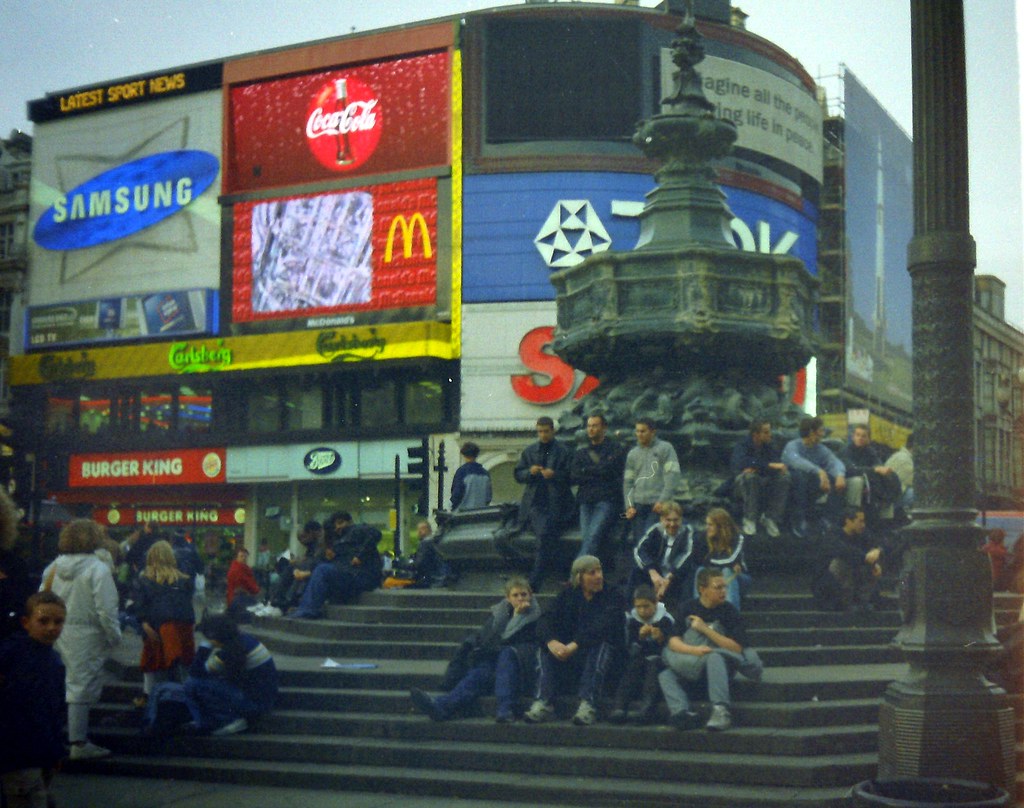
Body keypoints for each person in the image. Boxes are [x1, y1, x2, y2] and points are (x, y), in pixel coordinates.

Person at [41, 519, 122, 760]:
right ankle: (79, 741)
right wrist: (113, 636)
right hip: (87, 634)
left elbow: (41, 598)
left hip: (57, 631)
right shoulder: (98, 569)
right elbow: (106, 609)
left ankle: (54, 736)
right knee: (81, 688)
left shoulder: (53, 567)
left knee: (58, 684)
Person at [409, 576, 540, 722]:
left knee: (506, 654)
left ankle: (505, 709)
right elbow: (488, 640)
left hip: (520, 669)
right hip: (494, 665)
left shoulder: (536, 617)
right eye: (515, 595)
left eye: (524, 594)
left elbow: (518, 643)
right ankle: (441, 706)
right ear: (508, 598)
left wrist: (517, 618)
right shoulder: (499, 615)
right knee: (479, 673)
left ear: (530, 595)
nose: (520, 599)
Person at [658, 567, 763, 732]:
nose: (723, 591)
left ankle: (721, 710)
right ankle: (681, 713)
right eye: (718, 587)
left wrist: (706, 630)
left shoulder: (729, 611)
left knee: (715, 657)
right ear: (702, 590)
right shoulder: (687, 607)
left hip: (720, 667)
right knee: (665, 675)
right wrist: (694, 651)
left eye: (724, 587)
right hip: (694, 662)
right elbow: (673, 641)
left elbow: (736, 647)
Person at [524, 555, 622, 726]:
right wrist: (552, 642)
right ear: (579, 577)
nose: (598, 576)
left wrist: (575, 644)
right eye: (592, 573)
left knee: (601, 644)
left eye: (599, 571)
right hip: (571, 658)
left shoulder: (613, 594)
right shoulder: (567, 595)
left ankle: (589, 704)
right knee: (545, 648)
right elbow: (545, 620)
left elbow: (604, 625)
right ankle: (543, 701)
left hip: (603, 660)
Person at [143, 613, 278, 736]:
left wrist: (205, 647)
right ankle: (151, 723)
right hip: (256, 698)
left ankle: (216, 721)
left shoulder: (231, 651)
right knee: (160, 688)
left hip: (255, 703)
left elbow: (195, 673)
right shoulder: (243, 641)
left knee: (191, 684)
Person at [0, 591, 67, 808]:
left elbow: (55, 708)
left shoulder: (54, 660)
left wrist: (56, 749)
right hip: (16, 750)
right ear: (26, 622)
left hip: (42, 749)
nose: (51, 627)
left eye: (58, 622)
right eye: (43, 621)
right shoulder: (11, 653)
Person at [514, 417, 574, 592]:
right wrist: (529, 473)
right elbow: (518, 474)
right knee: (546, 536)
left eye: (546, 431)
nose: (543, 435)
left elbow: (572, 475)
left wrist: (554, 475)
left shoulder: (564, 451)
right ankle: (535, 582)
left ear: (553, 431)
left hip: (558, 503)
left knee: (546, 537)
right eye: (540, 431)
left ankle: (535, 580)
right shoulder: (529, 451)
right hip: (536, 504)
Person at [133, 540, 196, 708]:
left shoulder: (144, 579)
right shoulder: (184, 580)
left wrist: (144, 624)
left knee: (151, 661)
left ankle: (148, 696)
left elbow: (140, 606)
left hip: (156, 626)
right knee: (180, 664)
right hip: (182, 628)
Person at [290, 512, 382, 619]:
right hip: (352, 576)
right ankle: (301, 606)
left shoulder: (358, 529)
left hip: (363, 576)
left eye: (341, 523)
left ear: (350, 522)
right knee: (320, 570)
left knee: (322, 570)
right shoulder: (340, 541)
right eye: (336, 525)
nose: (338, 527)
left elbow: (376, 534)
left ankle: (308, 609)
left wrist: (360, 556)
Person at [608, 584, 674, 724]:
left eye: (646, 606)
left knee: (653, 667)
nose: (642, 611)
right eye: (638, 607)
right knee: (632, 668)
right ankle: (619, 706)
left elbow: (672, 644)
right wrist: (639, 638)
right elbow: (629, 647)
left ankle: (647, 708)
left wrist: (661, 638)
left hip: (660, 659)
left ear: (655, 604)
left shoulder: (665, 620)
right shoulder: (632, 621)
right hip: (639, 658)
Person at [571, 413, 626, 567]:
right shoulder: (581, 452)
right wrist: (598, 471)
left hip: (606, 501)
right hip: (586, 501)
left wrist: (586, 471)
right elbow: (574, 476)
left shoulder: (616, 449)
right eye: (589, 426)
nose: (591, 429)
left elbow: (610, 471)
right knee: (588, 539)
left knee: (593, 536)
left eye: (595, 426)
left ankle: (576, 576)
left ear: (604, 428)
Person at [782, 416, 846, 538]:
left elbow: (834, 461)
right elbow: (796, 461)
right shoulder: (792, 446)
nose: (823, 434)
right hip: (794, 481)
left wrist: (839, 475)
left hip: (811, 483)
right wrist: (819, 471)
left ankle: (829, 520)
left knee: (835, 481)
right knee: (800, 477)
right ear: (811, 432)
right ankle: (798, 520)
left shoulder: (820, 449)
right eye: (821, 430)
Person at [810, 508, 882, 612]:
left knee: (871, 564)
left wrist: (877, 551)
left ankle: (863, 601)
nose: (863, 525)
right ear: (848, 521)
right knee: (841, 563)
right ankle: (845, 602)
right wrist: (866, 558)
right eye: (860, 521)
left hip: (853, 581)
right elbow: (844, 551)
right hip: (828, 585)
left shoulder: (862, 534)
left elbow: (877, 543)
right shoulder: (833, 534)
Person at [623, 418, 681, 546]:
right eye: (637, 431)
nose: (639, 434)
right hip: (638, 506)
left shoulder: (666, 448)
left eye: (643, 431)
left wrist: (662, 500)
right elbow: (628, 482)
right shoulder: (632, 454)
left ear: (653, 432)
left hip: (657, 505)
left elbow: (672, 476)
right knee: (639, 542)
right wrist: (629, 505)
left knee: (650, 540)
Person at [727, 419, 789, 537]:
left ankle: (770, 517)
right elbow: (739, 462)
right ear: (755, 434)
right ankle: (749, 519)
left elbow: (777, 464)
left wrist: (757, 466)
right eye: (766, 432)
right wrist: (767, 465)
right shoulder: (743, 445)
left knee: (784, 477)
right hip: (741, 485)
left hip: (764, 481)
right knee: (750, 477)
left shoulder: (769, 446)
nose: (769, 435)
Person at [631, 502, 697, 605]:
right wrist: (653, 573)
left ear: (681, 519)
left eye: (676, 520)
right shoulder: (655, 530)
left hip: (675, 575)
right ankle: (631, 608)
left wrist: (668, 579)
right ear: (661, 519)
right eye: (668, 520)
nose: (672, 524)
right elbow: (639, 550)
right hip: (656, 573)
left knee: (690, 574)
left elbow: (687, 554)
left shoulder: (688, 531)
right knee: (636, 572)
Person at [840, 425, 901, 525]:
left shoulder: (870, 451)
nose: (860, 438)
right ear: (853, 436)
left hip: (868, 482)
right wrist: (874, 470)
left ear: (868, 439)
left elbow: (878, 465)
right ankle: (854, 514)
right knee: (857, 480)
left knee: (888, 479)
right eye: (858, 435)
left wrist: (882, 470)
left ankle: (886, 521)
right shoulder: (846, 450)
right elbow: (851, 470)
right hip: (848, 481)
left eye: (863, 436)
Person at [693, 508, 750, 611]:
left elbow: (731, 560)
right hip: (714, 580)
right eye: (707, 524)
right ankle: (700, 613)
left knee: (727, 571)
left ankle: (730, 618)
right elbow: (698, 559)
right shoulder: (704, 537)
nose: (707, 528)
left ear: (720, 526)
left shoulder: (738, 537)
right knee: (701, 571)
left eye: (710, 525)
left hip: (738, 578)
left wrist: (709, 562)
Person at [270, 520, 324, 609]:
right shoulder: (313, 546)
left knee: (293, 570)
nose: (302, 542)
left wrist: (299, 567)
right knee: (290, 567)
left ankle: (286, 599)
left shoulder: (321, 544)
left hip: (314, 571)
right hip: (309, 570)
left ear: (311, 533)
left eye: (304, 537)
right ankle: (278, 598)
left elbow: (316, 561)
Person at [450, 441, 492, 511]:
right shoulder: (485, 473)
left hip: (463, 514)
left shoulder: (462, 472)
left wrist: (453, 508)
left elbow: (457, 494)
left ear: (463, 455)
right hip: (480, 514)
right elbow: (488, 497)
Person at [884, 432, 914, 517]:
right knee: (920, 495)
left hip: (894, 494)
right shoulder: (904, 459)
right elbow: (916, 483)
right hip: (892, 500)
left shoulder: (903, 456)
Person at [225, 547, 261, 612]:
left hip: (232, 599)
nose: (244, 558)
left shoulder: (238, 568)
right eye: (241, 556)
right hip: (239, 599)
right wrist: (257, 590)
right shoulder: (239, 570)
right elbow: (249, 584)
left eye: (245, 556)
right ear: (237, 557)